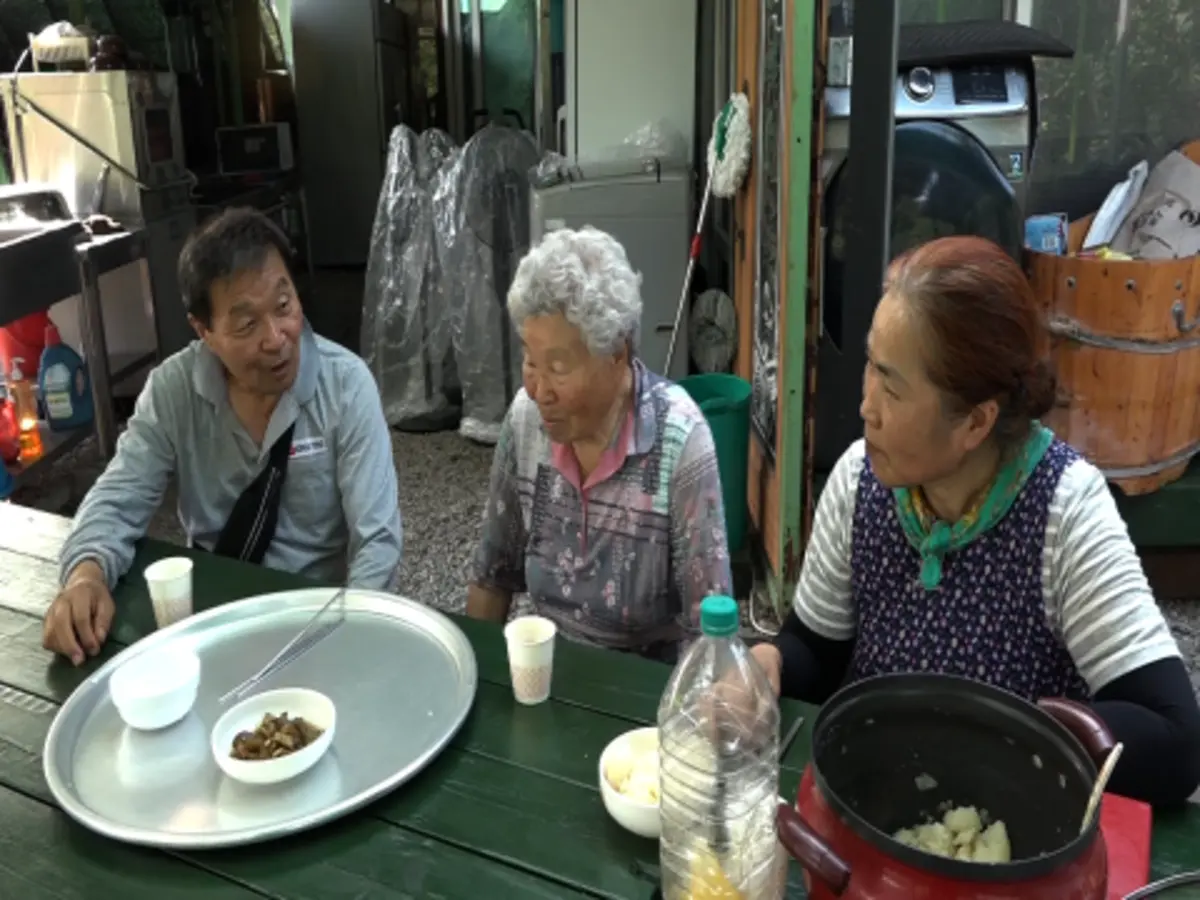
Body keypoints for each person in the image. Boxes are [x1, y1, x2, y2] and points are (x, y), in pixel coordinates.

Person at [750, 235, 1200, 807]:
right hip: (878, 803)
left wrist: (994, 740)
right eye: (870, 365)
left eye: (892, 386)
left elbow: (1174, 740)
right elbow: (817, 653)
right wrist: (770, 663)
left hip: (1007, 825)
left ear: (975, 422)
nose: (866, 406)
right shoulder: (860, 479)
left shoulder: (1063, 508)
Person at [43, 208, 403, 665]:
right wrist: (85, 576)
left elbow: (378, 541)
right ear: (205, 331)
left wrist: (351, 636)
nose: (276, 338)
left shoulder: (347, 387)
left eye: (284, 305)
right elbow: (118, 498)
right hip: (213, 617)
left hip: (316, 616)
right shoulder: (174, 391)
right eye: (247, 324)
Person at [467, 226, 732, 661]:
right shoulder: (526, 420)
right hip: (550, 669)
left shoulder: (679, 439)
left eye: (558, 367)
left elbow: (709, 632)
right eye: (530, 360)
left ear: (617, 354)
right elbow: (491, 577)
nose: (538, 390)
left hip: (646, 687)